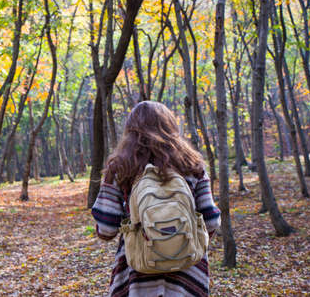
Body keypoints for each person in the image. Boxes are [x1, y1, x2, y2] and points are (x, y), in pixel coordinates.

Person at [92, 101, 221, 297]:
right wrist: (179, 240)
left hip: (137, 276)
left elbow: (106, 229)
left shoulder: (120, 167)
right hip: (187, 276)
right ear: (170, 126)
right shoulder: (193, 165)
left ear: (131, 131)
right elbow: (211, 222)